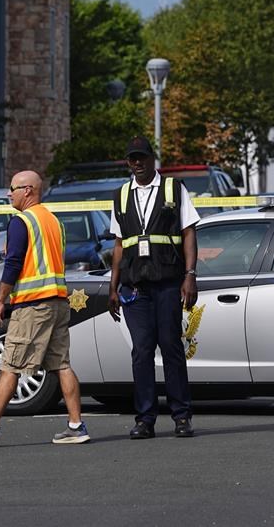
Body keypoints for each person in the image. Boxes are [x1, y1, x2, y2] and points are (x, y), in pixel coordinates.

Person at [0, 170, 89, 446]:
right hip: (58, 301)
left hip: (33, 304)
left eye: (13, 188)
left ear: (28, 190)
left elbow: (14, 263)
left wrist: (1, 299)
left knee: (10, 365)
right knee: (61, 364)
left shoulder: (21, 221)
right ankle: (76, 426)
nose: (8, 193)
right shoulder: (53, 220)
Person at [108, 136, 200, 439]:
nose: (137, 164)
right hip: (136, 287)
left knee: (172, 348)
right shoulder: (121, 196)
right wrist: (113, 286)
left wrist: (190, 275)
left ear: (152, 159)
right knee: (141, 352)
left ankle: (181, 416)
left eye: (142, 158)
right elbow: (119, 245)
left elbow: (188, 233)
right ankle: (145, 419)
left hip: (168, 283)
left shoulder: (173, 189)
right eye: (132, 159)